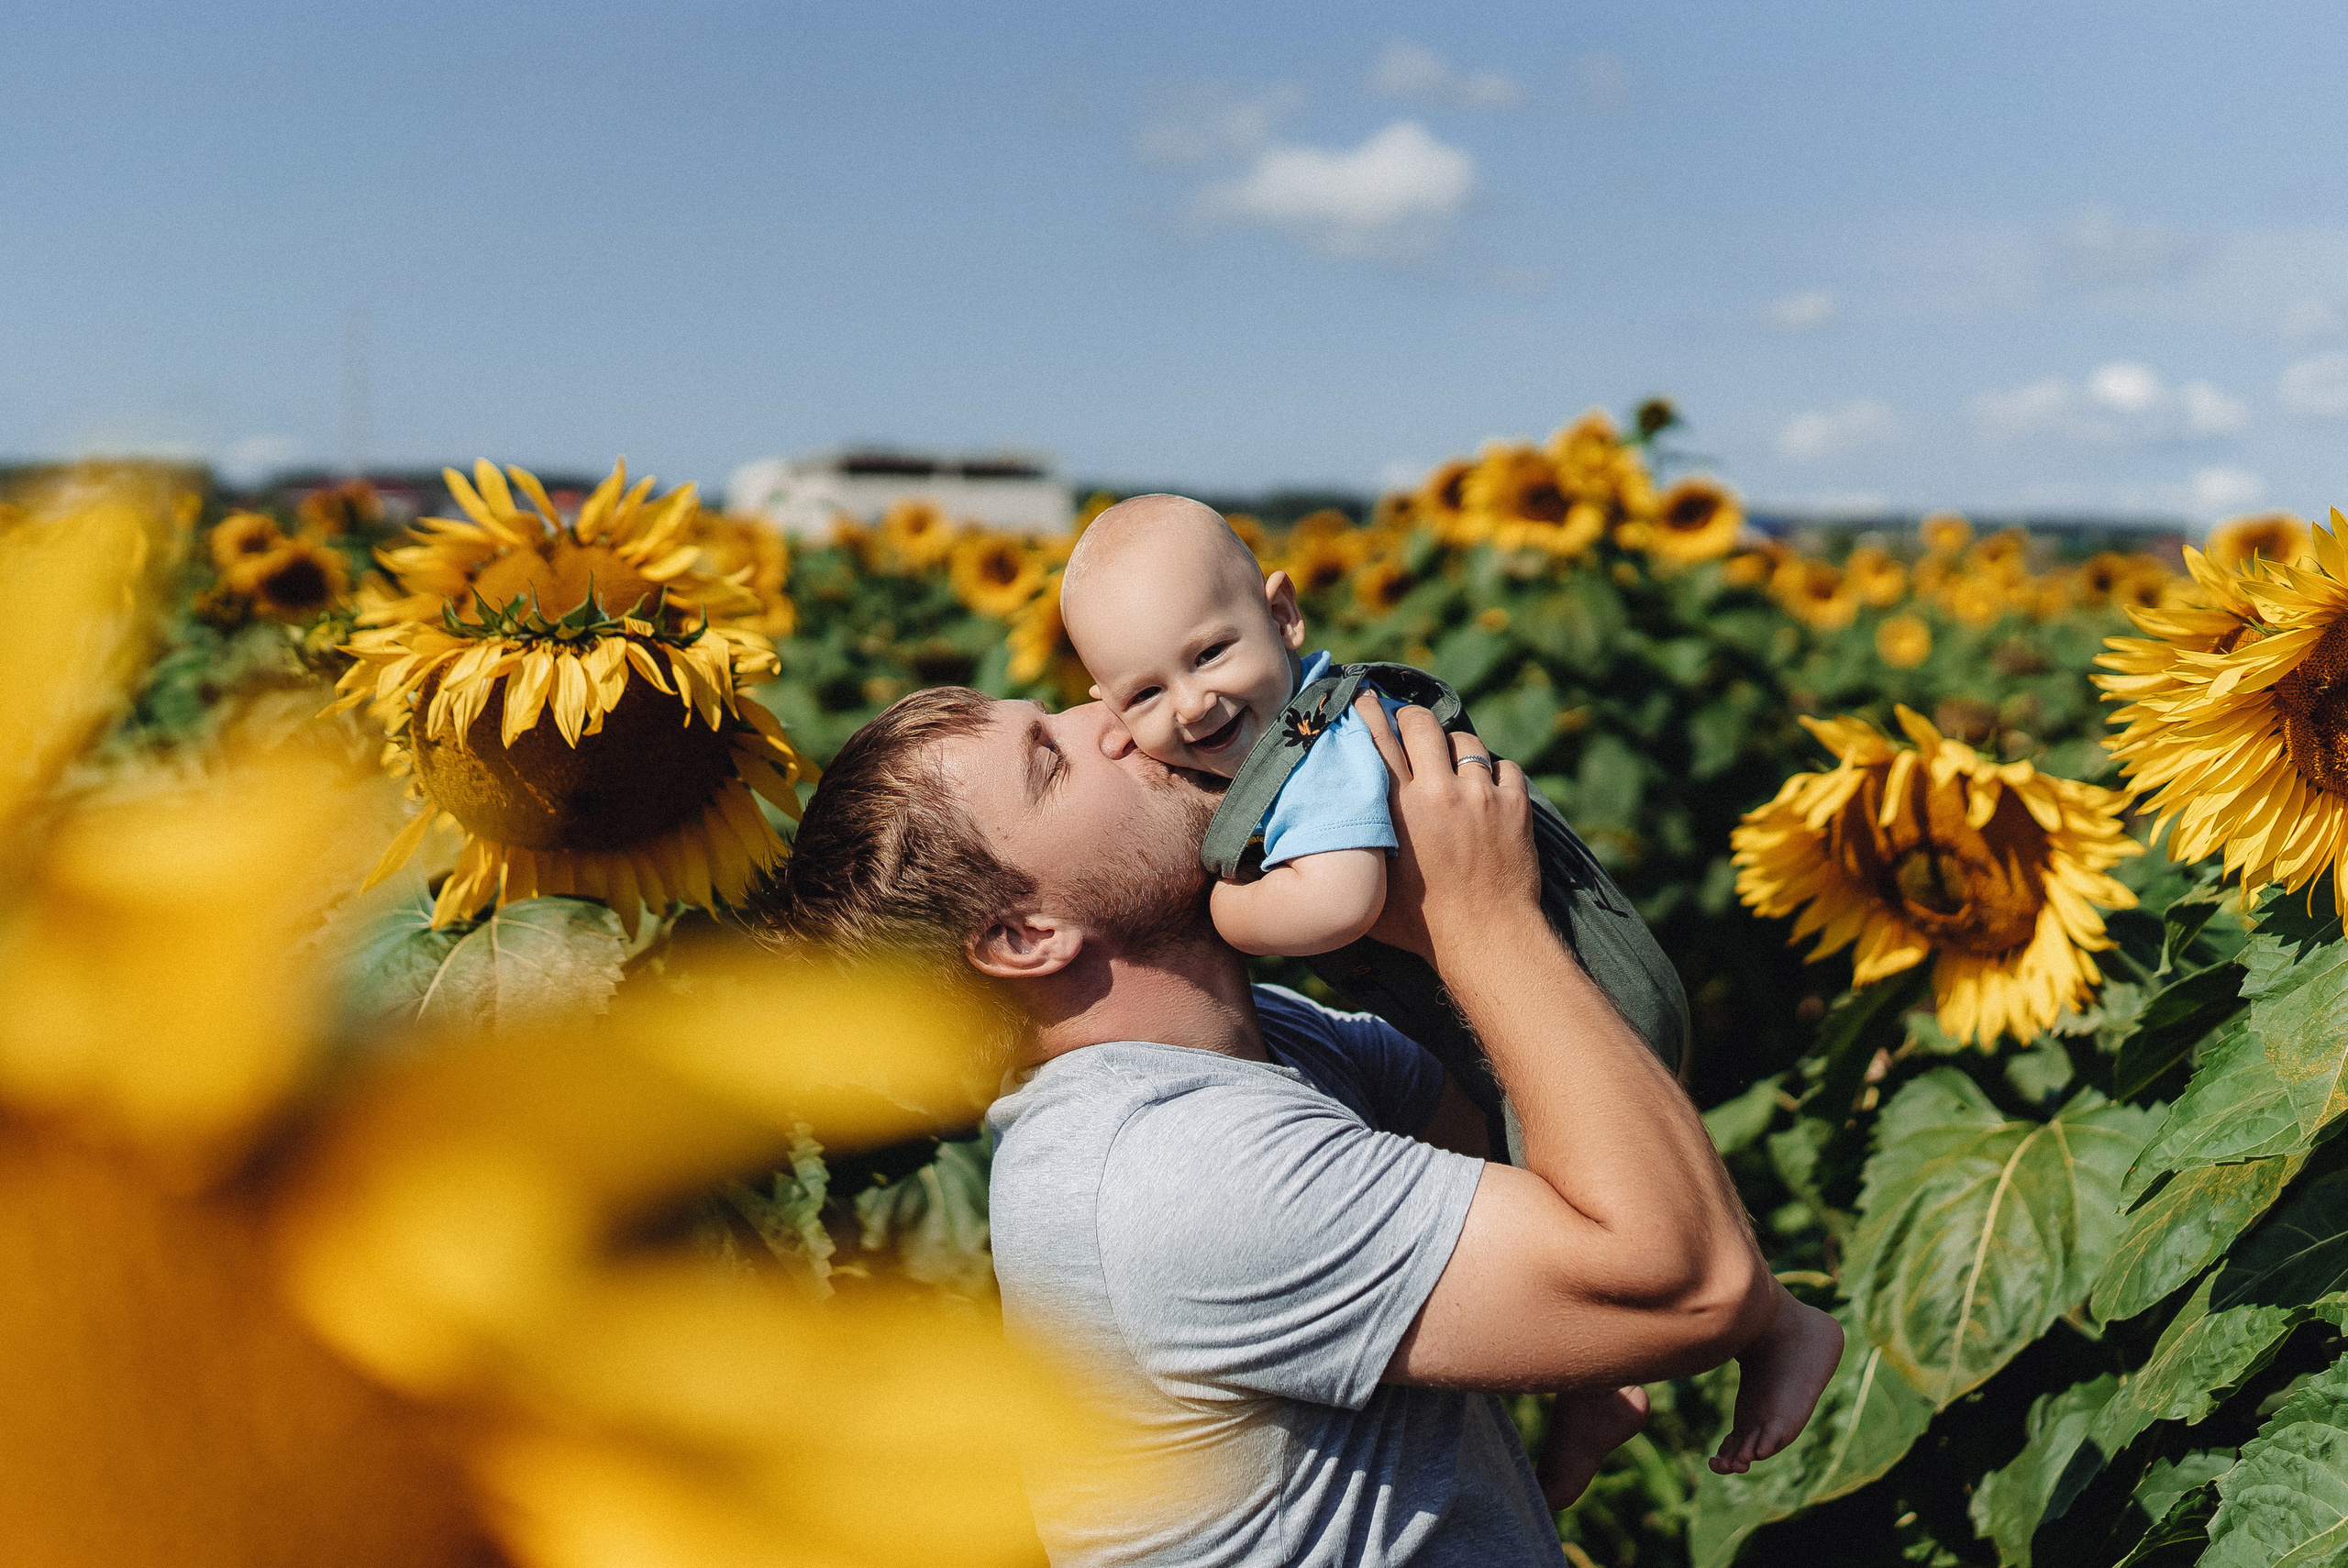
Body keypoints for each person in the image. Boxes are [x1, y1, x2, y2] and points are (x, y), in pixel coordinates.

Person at [759, 681, 1838, 1564]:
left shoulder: (1259, 1043)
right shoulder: (1163, 1173)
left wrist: (1382, 899)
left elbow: (1546, 1137)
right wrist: (1482, 916)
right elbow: (1688, 1281)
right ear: (1026, 934)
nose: (1115, 718)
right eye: (1055, 757)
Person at [1059, 491, 1842, 1471]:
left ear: (1285, 616)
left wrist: (1225, 908)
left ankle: (1761, 1333)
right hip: (1504, 995)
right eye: (1142, 696)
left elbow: (1339, 898)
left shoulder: (1320, 748)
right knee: (1527, 1186)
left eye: (1211, 654)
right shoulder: (1268, 740)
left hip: (1575, 982)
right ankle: (1615, 1382)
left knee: (1577, 1216)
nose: (1192, 705)